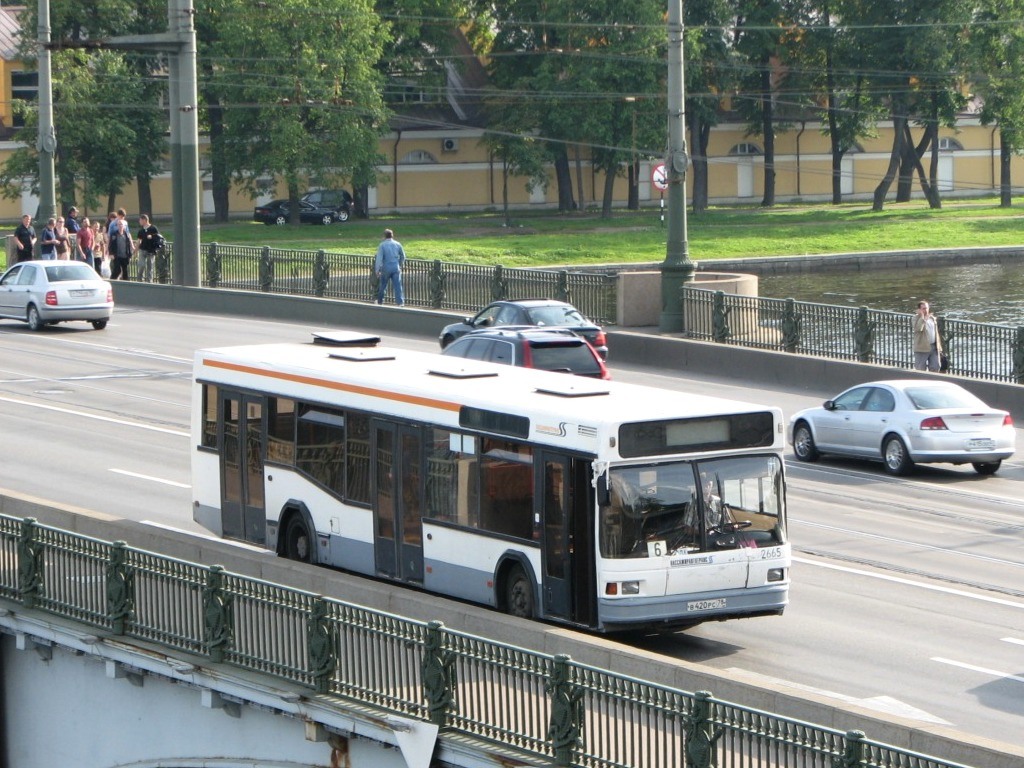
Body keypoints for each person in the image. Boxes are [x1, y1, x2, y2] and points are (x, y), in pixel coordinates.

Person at [374, 228, 406, 306]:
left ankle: (380, 301)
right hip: (395, 268)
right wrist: (399, 264)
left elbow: (379, 258)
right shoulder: (398, 244)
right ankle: (400, 302)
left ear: (385, 236)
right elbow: (403, 256)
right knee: (397, 286)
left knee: (383, 285)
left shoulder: (382, 245)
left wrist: (377, 270)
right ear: (392, 235)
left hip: (386, 268)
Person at [913, 300, 942, 372]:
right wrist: (923, 318)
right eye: (923, 309)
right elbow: (918, 328)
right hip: (922, 348)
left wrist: (939, 347)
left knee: (936, 366)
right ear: (919, 310)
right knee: (920, 369)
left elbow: (936, 333)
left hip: (933, 347)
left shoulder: (932, 318)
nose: (926, 310)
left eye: (927, 308)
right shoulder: (915, 318)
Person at [136, 214, 161, 283]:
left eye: (140, 220)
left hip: (151, 250)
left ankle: (149, 281)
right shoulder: (141, 231)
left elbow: (158, 237)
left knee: (150, 266)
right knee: (142, 265)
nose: (139, 221)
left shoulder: (153, 228)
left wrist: (152, 236)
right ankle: (140, 279)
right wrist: (135, 250)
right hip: (142, 249)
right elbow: (139, 240)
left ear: (144, 220)